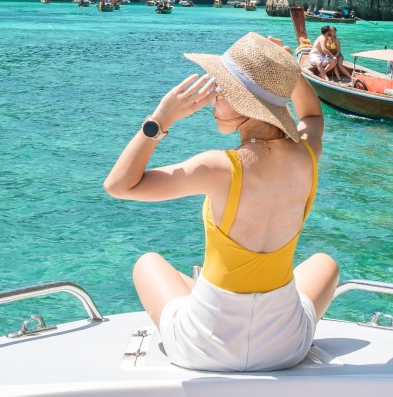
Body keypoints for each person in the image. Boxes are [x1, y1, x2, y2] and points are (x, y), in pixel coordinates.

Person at [103, 32, 339, 373]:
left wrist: (160, 120)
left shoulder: (219, 167)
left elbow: (119, 185)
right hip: (285, 347)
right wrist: (289, 74)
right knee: (324, 263)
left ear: (246, 103)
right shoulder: (307, 155)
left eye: (221, 91)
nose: (212, 100)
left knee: (148, 263)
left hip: (204, 348)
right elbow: (313, 117)